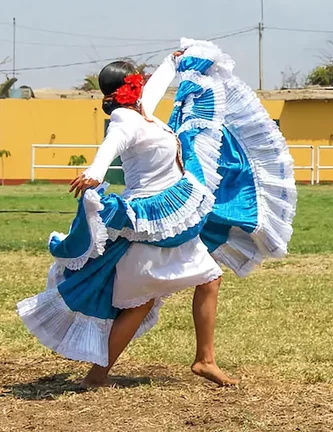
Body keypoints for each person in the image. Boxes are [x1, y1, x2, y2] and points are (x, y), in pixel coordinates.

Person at [17, 39, 297, 388]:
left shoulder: (142, 112)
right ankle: (98, 374)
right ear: (125, 89)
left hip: (171, 220)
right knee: (140, 301)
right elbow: (110, 146)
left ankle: (203, 360)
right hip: (150, 222)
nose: (141, 85)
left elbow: (155, 88)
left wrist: (171, 62)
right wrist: (96, 172)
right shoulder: (125, 121)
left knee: (205, 280)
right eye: (136, 81)